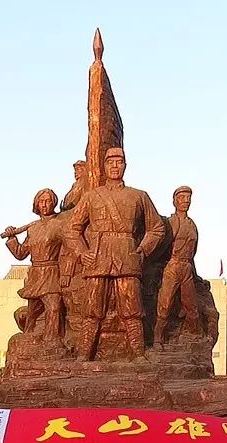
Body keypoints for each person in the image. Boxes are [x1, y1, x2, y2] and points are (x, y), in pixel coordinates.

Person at [67, 146, 165, 360]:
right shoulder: (91, 197)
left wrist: (142, 250)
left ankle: (137, 355)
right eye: (110, 162)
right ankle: (84, 355)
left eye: (119, 162)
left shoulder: (138, 196)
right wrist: (82, 252)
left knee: (132, 309)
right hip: (98, 259)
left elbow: (157, 228)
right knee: (92, 309)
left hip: (127, 257)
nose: (114, 166)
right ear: (104, 166)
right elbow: (72, 229)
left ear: (125, 166)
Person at [3, 188, 65, 342]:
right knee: (32, 313)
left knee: (54, 308)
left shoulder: (60, 224)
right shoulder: (33, 228)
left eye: (47, 201)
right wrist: (12, 238)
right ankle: (28, 338)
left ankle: (52, 341)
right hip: (36, 275)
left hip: (52, 273)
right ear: (36, 204)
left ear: (53, 203)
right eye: (41, 201)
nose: (44, 204)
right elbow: (20, 254)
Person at [153, 185, 201, 345]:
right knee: (165, 304)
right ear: (175, 201)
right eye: (182, 198)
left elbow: (193, 253)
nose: (186, 201)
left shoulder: (192, 225)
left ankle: (193, 337)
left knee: (191, 305)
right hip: (173, 266)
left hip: (187, 268)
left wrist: (195, 275)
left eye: (188, 198)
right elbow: (161, 247)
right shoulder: (170, 222)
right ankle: (158, 337)